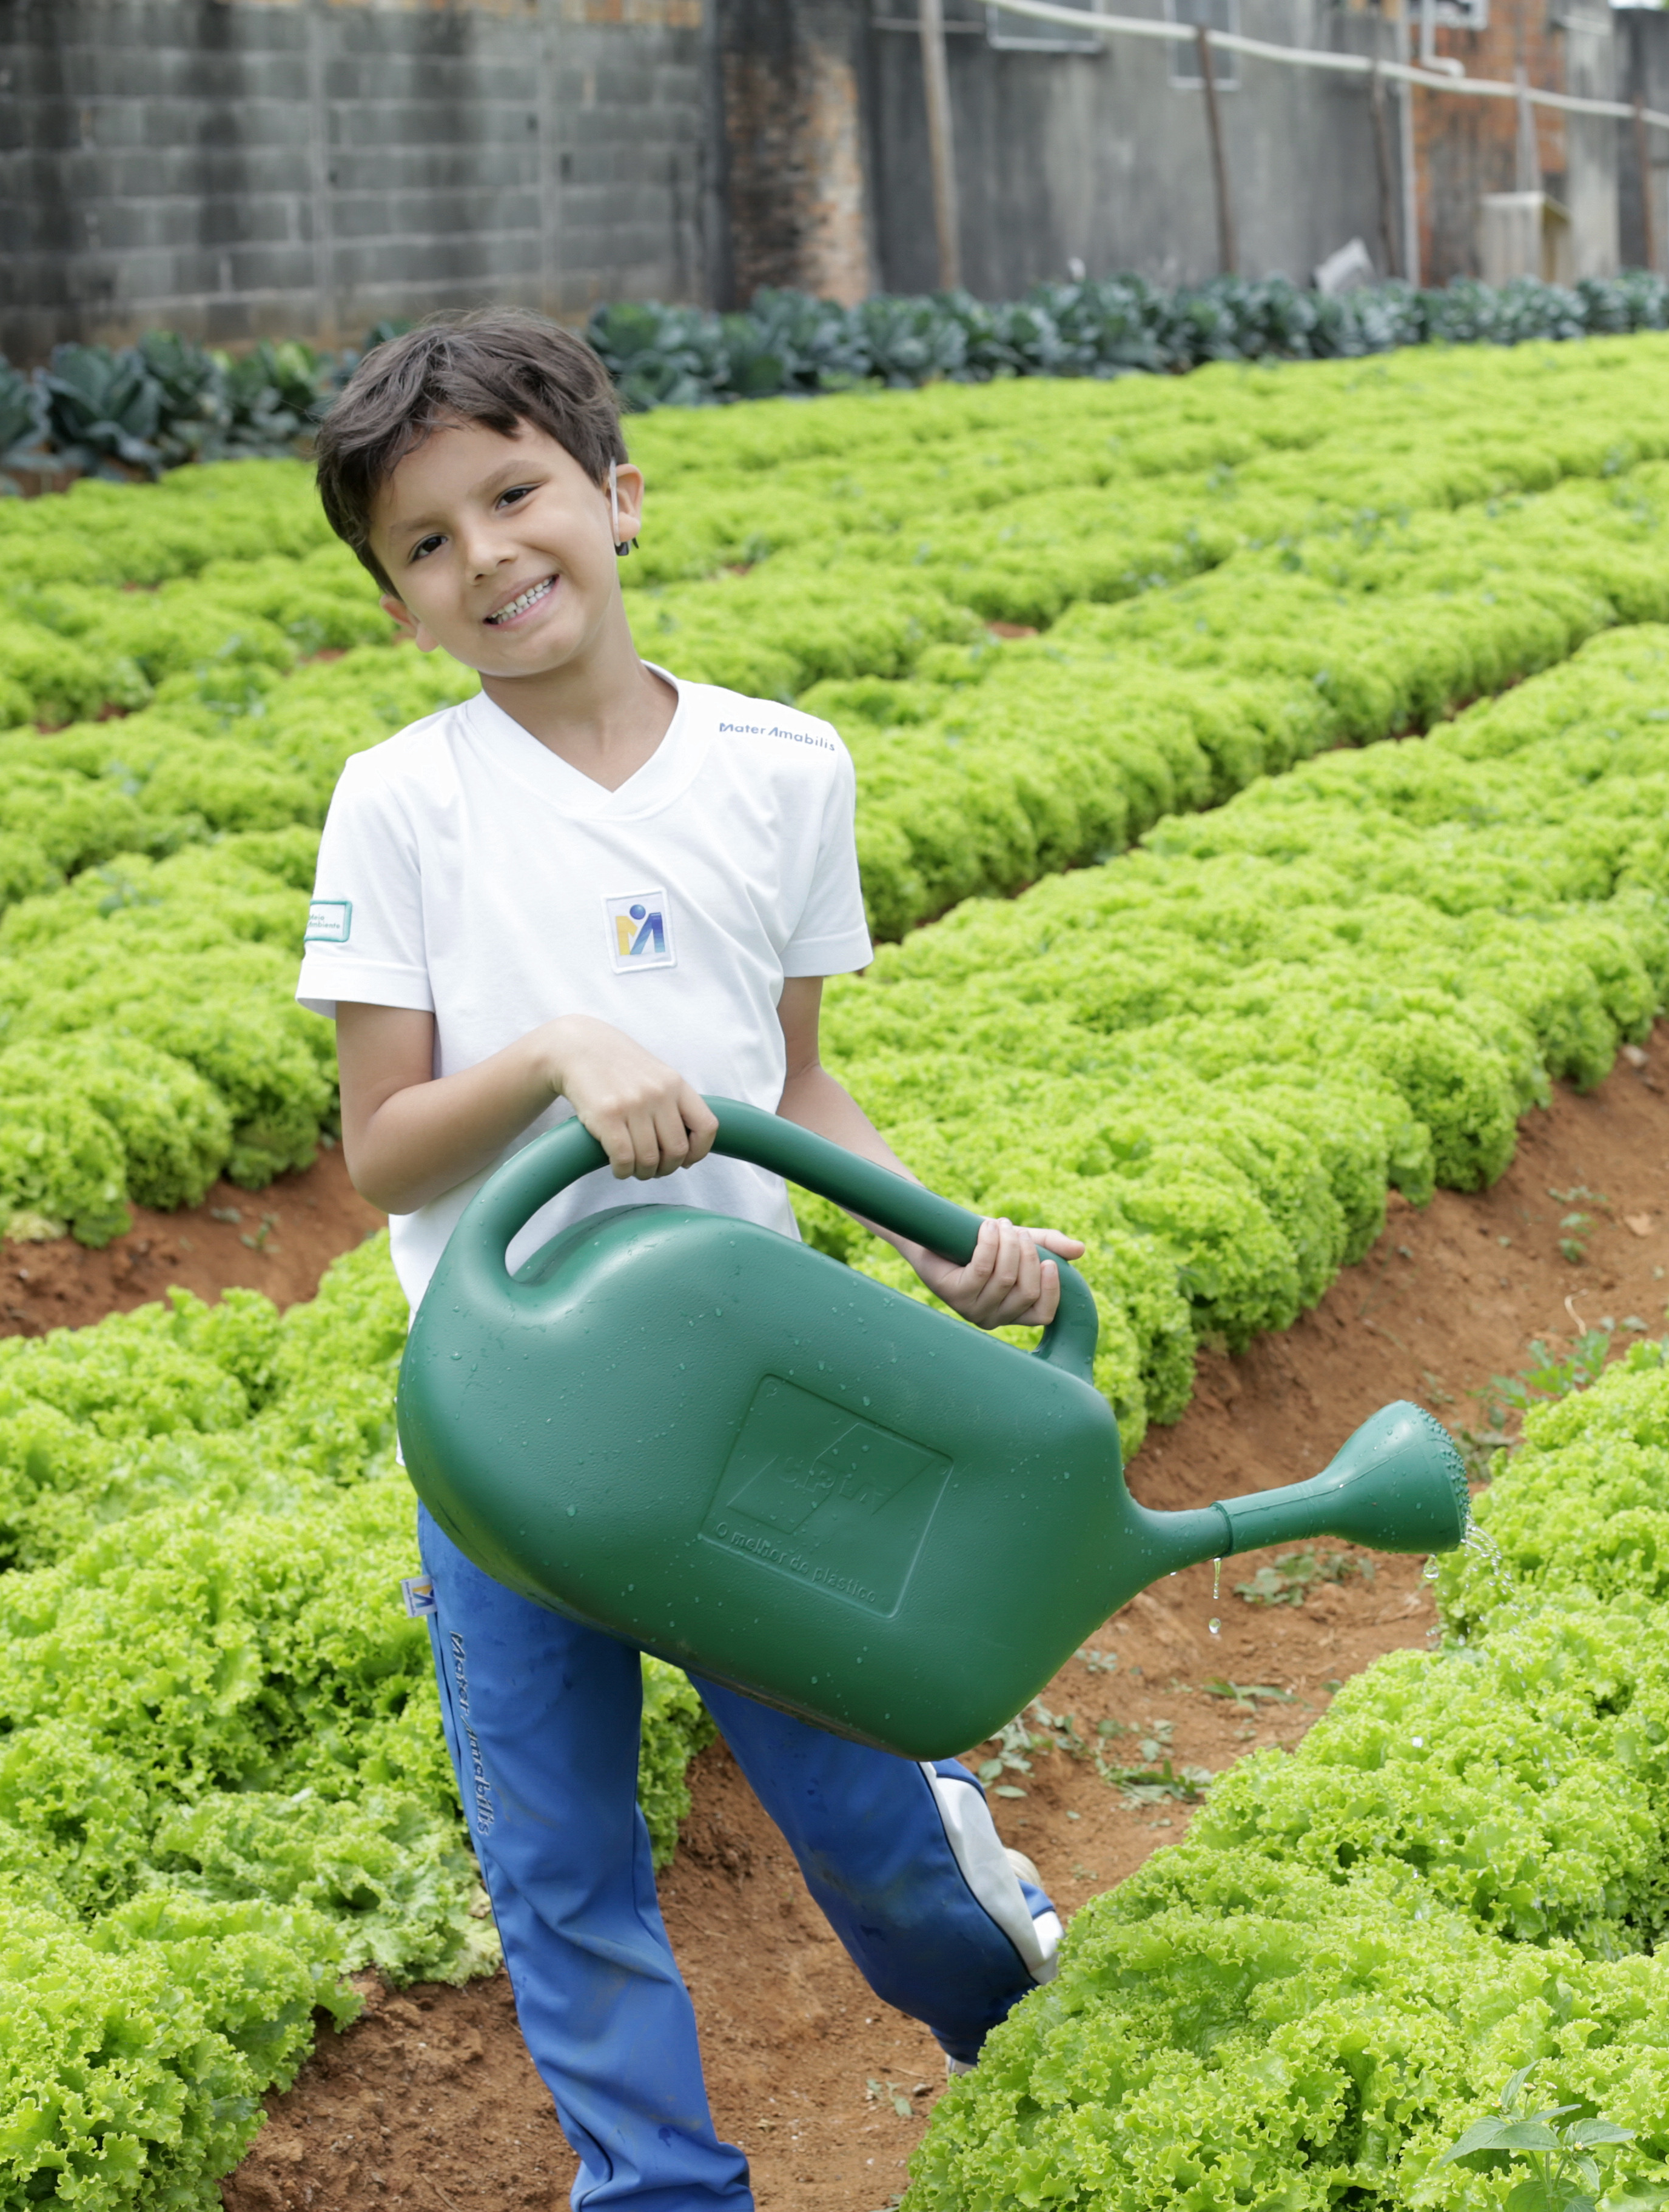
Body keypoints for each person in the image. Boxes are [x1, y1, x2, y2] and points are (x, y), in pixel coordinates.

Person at [297, 307, 1085, 2209]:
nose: (485, 554)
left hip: (758, 1402)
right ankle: (656, 2190)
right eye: (425, 541)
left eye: (516, 492)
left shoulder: (781, 769)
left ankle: (1048, 2059)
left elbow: (799, 1072)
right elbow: (381, 1149)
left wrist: (938, 1241)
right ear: (399, 604)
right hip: (507, 1422)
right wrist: (559, 1054)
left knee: (873, 1837)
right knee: (560, 1861)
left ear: (617, 497)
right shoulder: (404, 804)